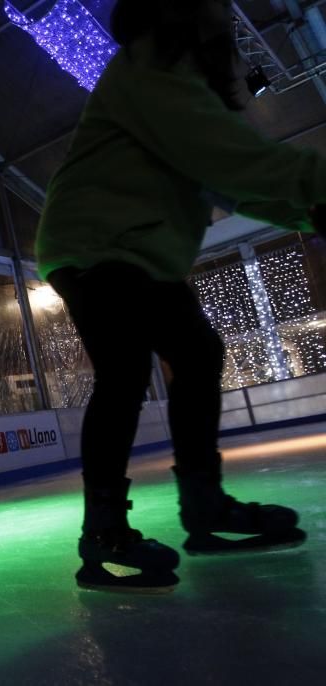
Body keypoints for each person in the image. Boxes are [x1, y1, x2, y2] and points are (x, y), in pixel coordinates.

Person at [35, 0, 325, 593]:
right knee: (123, 370)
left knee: (197, 353)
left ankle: (204, 506)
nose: (227, 14)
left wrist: (309, 208)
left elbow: (228, 179)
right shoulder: (151, 69)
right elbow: (234, 160)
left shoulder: (181, 79)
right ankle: (104, 533)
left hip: (139, 250)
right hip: (97, 243)